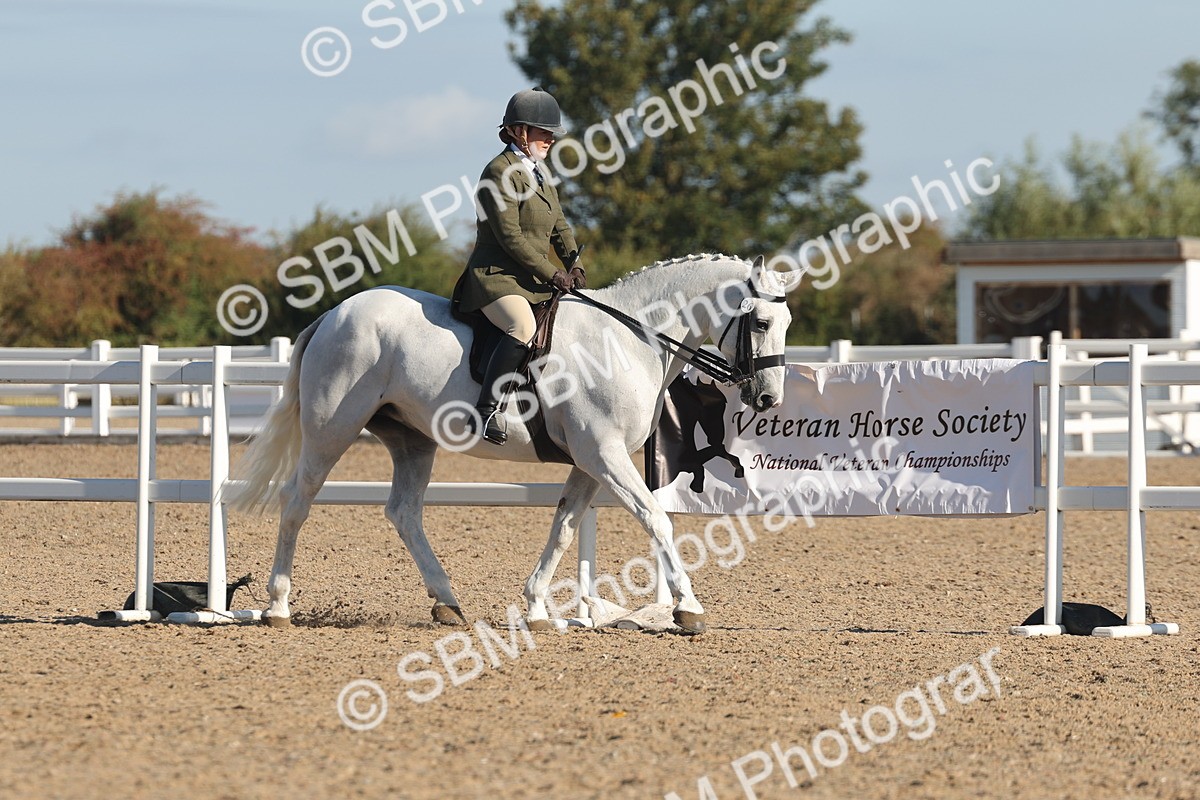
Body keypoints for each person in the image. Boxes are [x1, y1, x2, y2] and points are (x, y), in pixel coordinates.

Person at [451, 87, 586, 445]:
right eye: (544, 133)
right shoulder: (498, 171)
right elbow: (511, 237)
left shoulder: (539, 173)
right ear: (519, 132)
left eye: (552, 134)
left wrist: (575, 265)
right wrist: (553, 273)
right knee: (522, 324)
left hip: (531, 279)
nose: (551, 140)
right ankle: (486, 410)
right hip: (496, 278)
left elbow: (560, 226)